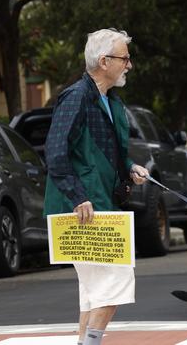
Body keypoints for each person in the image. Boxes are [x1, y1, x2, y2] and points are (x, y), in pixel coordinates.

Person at [43, 28, 150, 345]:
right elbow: (55, 151)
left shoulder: (109, 101)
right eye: (124, 58)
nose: (128, 65)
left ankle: (85, 342)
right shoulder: (77, 97)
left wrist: (130, 168)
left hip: (100, 204)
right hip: (83, 209)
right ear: (105, 61)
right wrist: (78, 197)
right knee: (116, 276)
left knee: (94, 287)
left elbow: (108, 152)